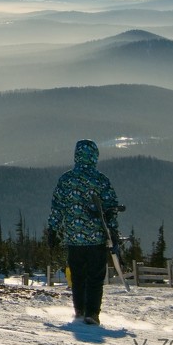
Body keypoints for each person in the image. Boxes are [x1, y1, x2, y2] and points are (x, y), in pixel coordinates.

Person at [47, 139, 119, 325]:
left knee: (78, 276)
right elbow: (111, 209)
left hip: (73, 239)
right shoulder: (101, 180)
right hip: (96, 239)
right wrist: (114, 233)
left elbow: (57, 208)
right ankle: (92, 312)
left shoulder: (66, 180)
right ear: (94, 156)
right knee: (95, 276)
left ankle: (79, 309)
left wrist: (53, 230)